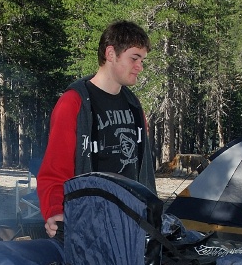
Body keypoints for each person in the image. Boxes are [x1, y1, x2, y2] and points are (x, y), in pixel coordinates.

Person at [36, 21, 157, 238]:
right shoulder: (74, 103)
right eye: (134, 58)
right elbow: (53, 171)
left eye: (142, 60)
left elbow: (144, 171)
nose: (140, 66)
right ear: (111, 53)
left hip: (132, 227)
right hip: (88, 227)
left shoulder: (134, 105)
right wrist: (55, 211)